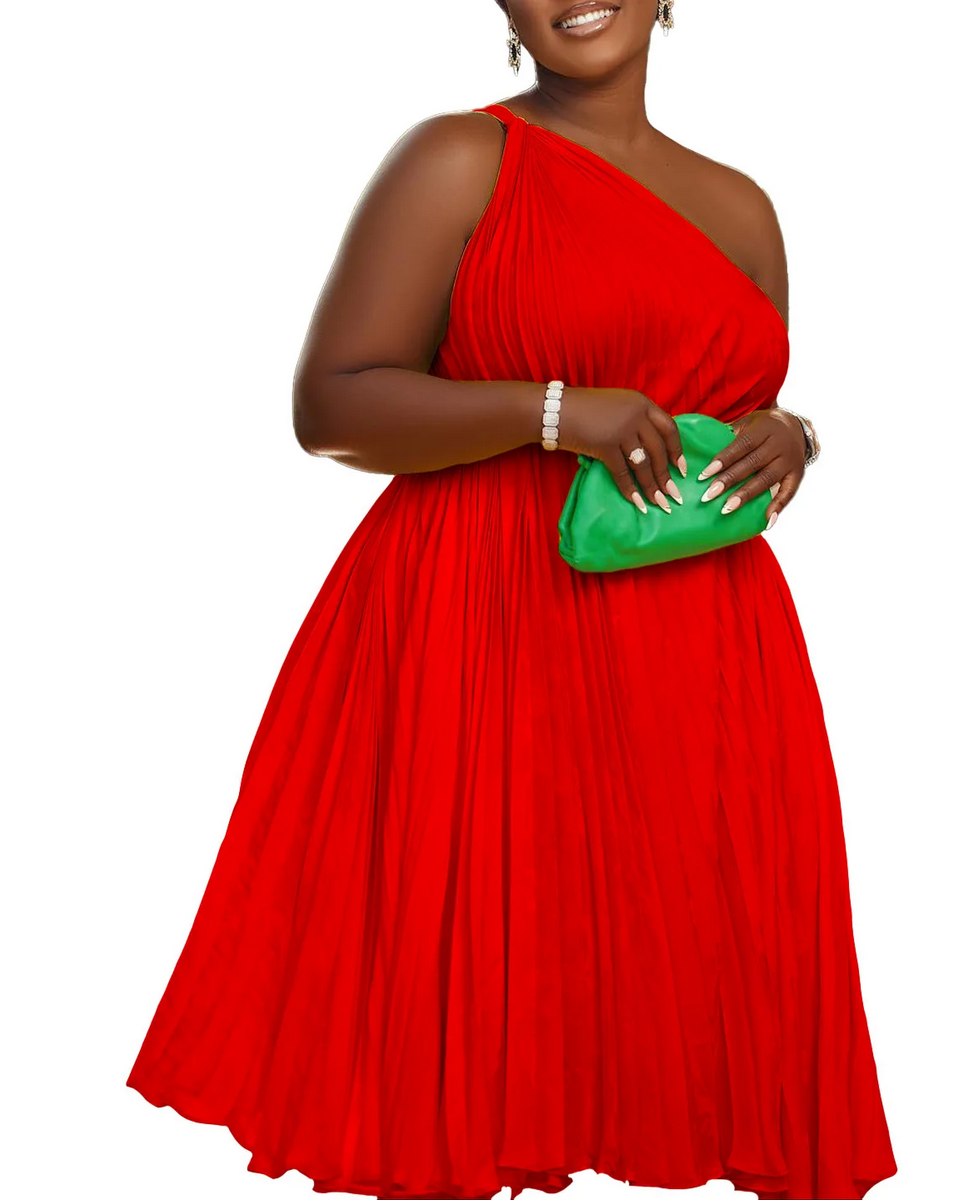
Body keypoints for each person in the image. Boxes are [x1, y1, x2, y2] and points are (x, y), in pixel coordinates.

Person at [126, 2, 898, 1198]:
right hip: (482, 614)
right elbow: (331, 404)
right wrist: (552, 411)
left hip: (695, 639)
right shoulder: (458, 158)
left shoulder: (744, 208)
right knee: (479, 973)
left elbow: (720, 408)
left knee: (676, 974)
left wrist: (792, 435)